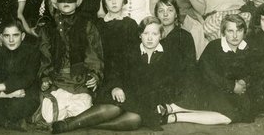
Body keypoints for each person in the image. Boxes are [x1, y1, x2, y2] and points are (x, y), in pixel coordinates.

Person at [52, 17, 181, 132]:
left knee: (134, 120)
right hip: (125, 92)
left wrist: (160, 103)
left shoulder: (168, 56)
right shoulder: (130, 51)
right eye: (146, 33)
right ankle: (70, 124)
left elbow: (169, 84)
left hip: (148, 101)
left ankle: (89, 125)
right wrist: (116, 87)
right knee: (114, 108)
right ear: (140, 35)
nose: (150, 38)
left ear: (161, 35)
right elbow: (115, 72)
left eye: (154, 33)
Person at [163, 15, 253, 125]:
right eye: (230, 31)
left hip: (230, 92)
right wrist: (232, 86)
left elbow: (252, 70)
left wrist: (244, 81)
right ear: (223, 32)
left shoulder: (248, 48)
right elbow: (207, 73)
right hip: (209, 88)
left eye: (239, 31)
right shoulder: (214, 46)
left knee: (242, 113)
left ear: (244, 32)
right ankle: (175, 113)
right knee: (229, 114)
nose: (235, 35)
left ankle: (174, 114)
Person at [36, 0, 103, 125]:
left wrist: (95, 74)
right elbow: (44, 56)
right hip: (56, 80)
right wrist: (45, 77)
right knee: (50, 117)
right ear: (55, 3)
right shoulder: (48, 28)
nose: (66, 2)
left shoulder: (87, 25)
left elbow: (94, 54)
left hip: (80, 80)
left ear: (77, 2)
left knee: (81, 115)